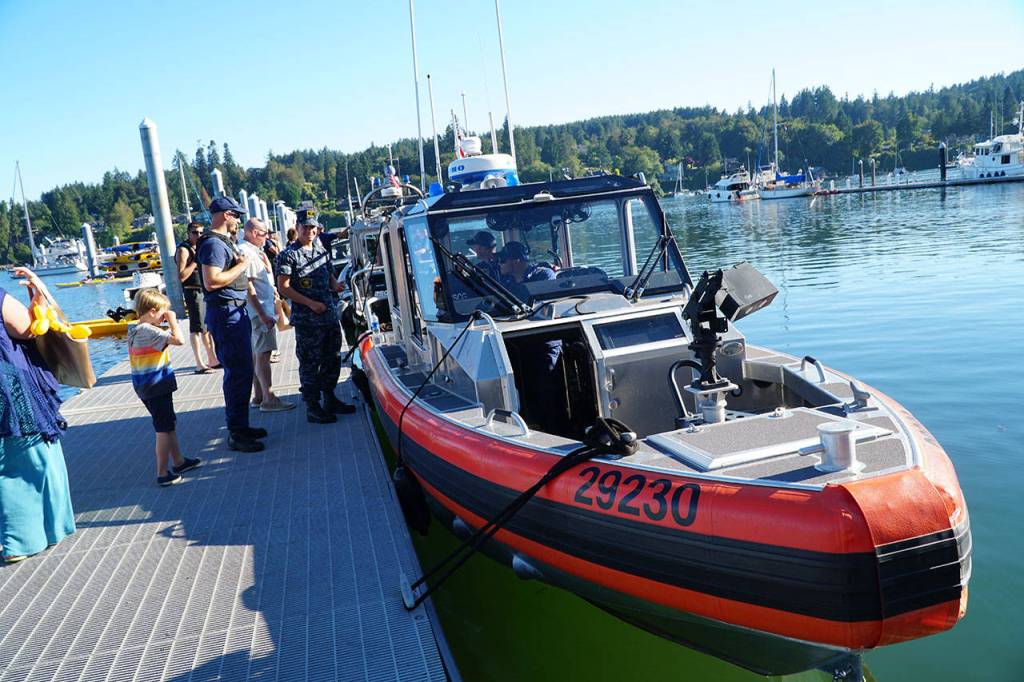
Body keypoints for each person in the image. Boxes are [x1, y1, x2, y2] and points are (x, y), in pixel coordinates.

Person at [0, 267, 76, 563]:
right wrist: (39, 296)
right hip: (9, 386)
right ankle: (24, 539)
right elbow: (30, 328)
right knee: (29, 458)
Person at [196, 196, 266, 453]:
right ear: (226, 215)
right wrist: (243, 266)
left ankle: (241, 425)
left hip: (234, 313)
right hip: (226, 316)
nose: (238, 221)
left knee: (243, 372)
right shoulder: (214, 244)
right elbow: (212, 281)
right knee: (238, 374)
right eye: (235, 215)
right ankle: (236, 432)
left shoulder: (223, 243)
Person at [277, 211, 356, 423]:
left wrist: (335, 286)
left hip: (328, 315)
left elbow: (328, 273)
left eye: (313, 227)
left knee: (332, 357)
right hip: (308, 320)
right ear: (297, 226)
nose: (310, 231)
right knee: (310, 362)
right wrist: (310, 303)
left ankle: (330, 398)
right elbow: (283, 287)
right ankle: (312, 406)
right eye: (305, 227)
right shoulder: (289, 255)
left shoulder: (320, 249)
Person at [128, 289, 202, 486]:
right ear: (152, 311)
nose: (164, 316)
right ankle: (162, 472)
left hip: (149, 386)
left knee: (168, 424)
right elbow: (179, 340)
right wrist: (173, 320)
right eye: (162, 312)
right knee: (163, 428)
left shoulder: (136, 329)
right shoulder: (147, 330)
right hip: (155, 386)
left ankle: (178, 461)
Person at [496, 242, 562, 432]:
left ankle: (555, 429)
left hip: (544, 341)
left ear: (515, 261)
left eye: (502, 260)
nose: (499, 264)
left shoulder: (543, 274)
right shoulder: (505, 282)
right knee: (529, 389)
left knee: (548, 389)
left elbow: (541, 302)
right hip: (521, 343)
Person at [240, 218, 294, 412]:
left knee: (257, 353)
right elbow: (248, 285)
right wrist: (263, 313)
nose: (266, 238)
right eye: (264, 234)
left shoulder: (254, 252)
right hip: (259, 310)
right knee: (264, 354)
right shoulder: (246, 252)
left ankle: (259, 395)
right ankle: (268, 399)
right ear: (254, 233)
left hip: (260, 309)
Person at [174, 221, 218, 373]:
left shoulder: (198, 248)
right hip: (192, 292)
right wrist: (195, 261)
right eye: (195, 233)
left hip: (203, 291)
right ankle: (199, 363)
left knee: (207, 328)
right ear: (188, 233)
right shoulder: (184, 250)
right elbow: (181, 276)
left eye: (200, 232)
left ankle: (212, 359)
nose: (198, 235)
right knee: (196, 328)